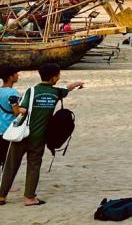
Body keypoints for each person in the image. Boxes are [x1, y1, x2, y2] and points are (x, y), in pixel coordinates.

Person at [0, 63, 83, 206]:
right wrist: (77, 84)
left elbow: (22, 110)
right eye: (58, 75)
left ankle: (1, 196)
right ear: (53, 78)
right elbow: (66, 88)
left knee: (11, 165)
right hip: (39, 137)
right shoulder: (56, 92)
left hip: (22, 134)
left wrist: (15, 106)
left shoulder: (31, 91)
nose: (58, 78)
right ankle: (29, 198)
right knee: (34, 166)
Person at [0, 66, 20, 170]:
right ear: (10, 77)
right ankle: (5, 185)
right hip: (8, 130)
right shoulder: (13, 93)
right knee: (7, 160)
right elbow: (16, 112)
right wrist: (24, 110)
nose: (18, 75)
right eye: (16, 74)